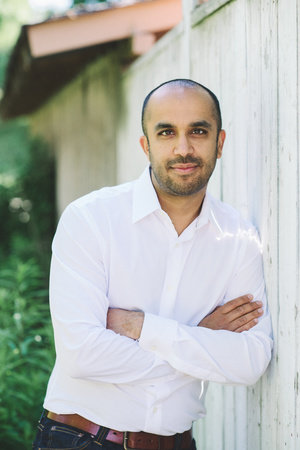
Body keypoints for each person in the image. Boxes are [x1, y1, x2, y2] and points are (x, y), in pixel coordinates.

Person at [33, 79, 272, 450]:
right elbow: (82, 355)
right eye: (166, 132)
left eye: (198, 131)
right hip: (81, 440)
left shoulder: (238, 239)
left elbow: (251, 360)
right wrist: (201, 337)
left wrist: (141, 327)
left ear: (219, 143)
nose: (183, 148)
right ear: (146, 146)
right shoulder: (91, 219)